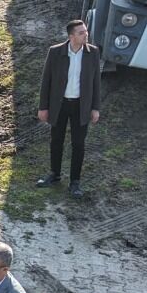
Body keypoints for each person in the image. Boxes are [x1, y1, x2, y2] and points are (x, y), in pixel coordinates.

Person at [37, 18, 102, 197]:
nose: (86, 35)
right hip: (60, 104)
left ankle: (75, 182)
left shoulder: (93, 53)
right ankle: (54, 174)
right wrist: (43, 107)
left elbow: (96, 82)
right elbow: (46, 81)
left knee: (78, 144)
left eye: (86, 32)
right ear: (71, 36)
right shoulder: (55, 52)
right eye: (81, 33)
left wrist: (95, 107)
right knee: (56, 140)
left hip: (81, 106)